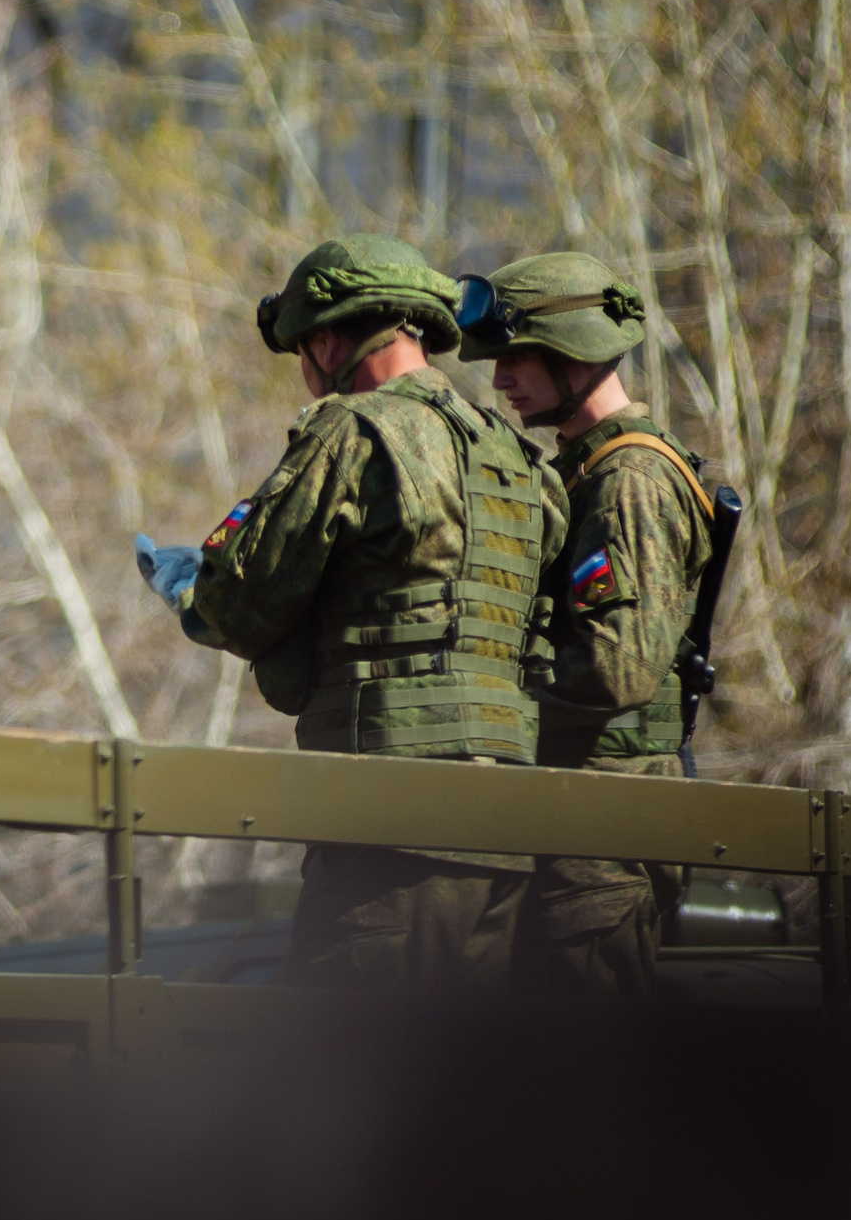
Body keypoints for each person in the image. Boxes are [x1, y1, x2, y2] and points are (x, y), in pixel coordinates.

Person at [139, 234, 566, 992]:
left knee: (354, 1077)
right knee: (466, 1088)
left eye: (304, 350)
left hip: (390, 825)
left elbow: (242, 603)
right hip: (511, 825)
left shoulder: (354, 431)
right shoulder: (515, 456)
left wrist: (187, 592)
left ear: (330, 337)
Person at [455, 252, 714, 997]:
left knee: (577, 1082)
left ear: (576, 350)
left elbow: (620, 667)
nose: (500, 377)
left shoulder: (628, 480)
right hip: (573, 817)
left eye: (516, 357)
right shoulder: (585, 470)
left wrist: (490, 712)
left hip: (602, 833)